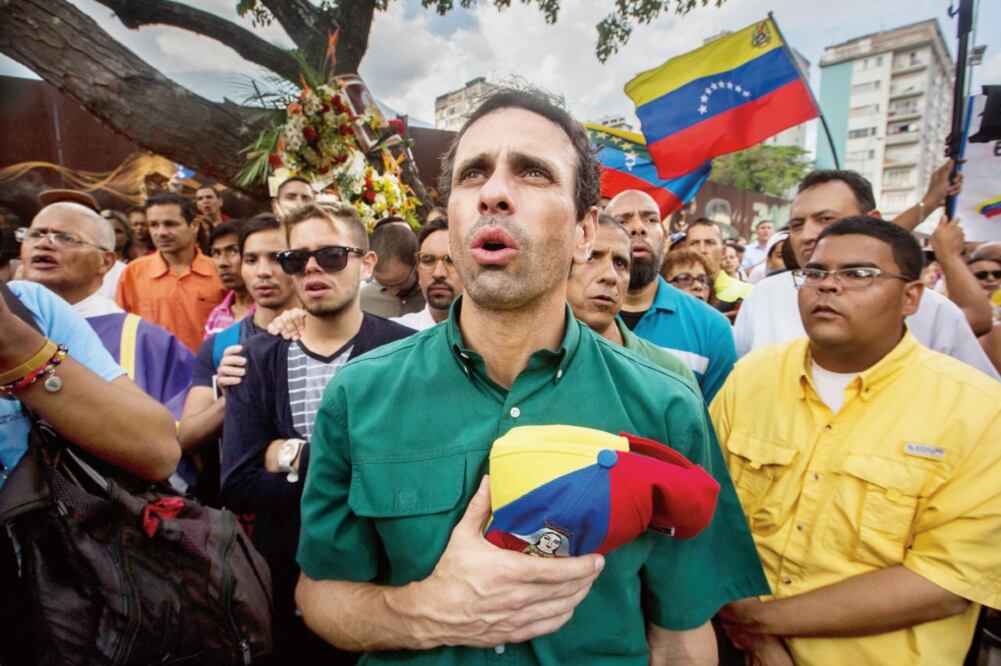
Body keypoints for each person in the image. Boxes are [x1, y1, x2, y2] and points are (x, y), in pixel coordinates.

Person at [294, 87, 767, 664]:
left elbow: (680, 635)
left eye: (533, 173)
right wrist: (427, 612)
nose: (494, 193)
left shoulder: (664, 402)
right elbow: (320, 593)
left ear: (584, 233)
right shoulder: (359, 392)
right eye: (473, 174)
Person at [712, 216, 1001, 665]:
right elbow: (705, 516)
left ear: (910, 297)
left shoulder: (979, 411)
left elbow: (946, 584)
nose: (829, 286)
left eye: (859, 274)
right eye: (814, 272)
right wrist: (753, 636)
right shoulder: (752, 377)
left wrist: (765, 623)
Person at [220, 201, 412, 660]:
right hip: (286, 581)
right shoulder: (255, 360)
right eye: (295, 258)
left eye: (331, 255)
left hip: (389, 576)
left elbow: (408, 475)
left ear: (366, 263)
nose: (310, 268)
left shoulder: (408, 353)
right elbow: (238, 484)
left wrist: (287, 456)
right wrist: (356, 461)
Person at [733, 170, 1000, 380]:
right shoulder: (765, 296)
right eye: (797, 224)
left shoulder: (934, 311)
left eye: (826, 219)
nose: (808, 235)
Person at [17, 202, 194, 420]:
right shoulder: (8, 322)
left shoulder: (149, 342)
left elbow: (171, 438)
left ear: (106, 261)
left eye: (65, 238)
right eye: (35, 234)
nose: (43, 244)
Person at [180, 214, 301, 504]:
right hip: (241, 510)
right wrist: (233, 395)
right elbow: (187, 436)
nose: (263, 271)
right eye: (250, 260)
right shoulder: (222, 346)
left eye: (276, 258)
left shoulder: (324, 335)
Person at [611, 189, 737, 401]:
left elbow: (714, 427)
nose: (638, 228)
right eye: (622, 221)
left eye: (650, 219)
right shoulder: (569, 316)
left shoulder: (712, 328)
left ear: (666, 238)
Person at [566, 214, 698, 388]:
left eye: (620, 263)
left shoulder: (671, 375)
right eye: (591, 257)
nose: (610, 276)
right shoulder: (521, 358)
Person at [115, 193, 227, 353]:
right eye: (153, 225)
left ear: (194, 225)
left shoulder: (218, 270)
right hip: (153, 372)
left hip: (207, 372)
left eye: (170, 224)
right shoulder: (134, 272)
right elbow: (123, 329)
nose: (160, 232)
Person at [393, 217, 464, 330]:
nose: (438, 273)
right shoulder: (394, 335)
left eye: (450, 261)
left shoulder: (494, 340)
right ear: (417, 271)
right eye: (428, 260)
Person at [360, 218, 426, 318]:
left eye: (400, 283)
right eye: (384, 286)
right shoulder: (361, 301)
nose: (392, 292)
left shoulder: (434, 297)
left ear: (417, 263)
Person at [685, 218, 752, 313]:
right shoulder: (674, 290)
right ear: (684, 250)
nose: (702, 250)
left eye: (709, 243)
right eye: (694, 243)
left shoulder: (747, 292)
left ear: (723, 251)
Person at [203, 219, 254, 338]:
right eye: (216, 253)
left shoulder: (272, 313)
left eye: (233, 251)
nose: (222, 263)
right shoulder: (216, 315)